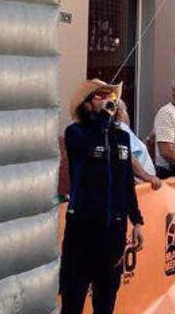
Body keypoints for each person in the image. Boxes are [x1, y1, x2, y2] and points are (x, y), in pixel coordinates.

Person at [61, 79, 144, 314]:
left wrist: (136, 220)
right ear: (87, 104)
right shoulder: (75, 133)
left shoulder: (122, 138)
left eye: (111, 95)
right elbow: (84, 151)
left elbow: (127, 181)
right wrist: (103, 120)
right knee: (73, 298)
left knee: (106, 300)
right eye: (100, 96)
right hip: (82, 230)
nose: (109, 100)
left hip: (113, 233)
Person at [115, 99, 162, 189]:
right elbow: (128, 156)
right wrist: (144, 176)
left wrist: (149, 140)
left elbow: (136, 152)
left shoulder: (122, 130)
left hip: (144, 183)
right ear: (121, 112)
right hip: (140, 184)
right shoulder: (121, 129)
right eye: (125, 110)